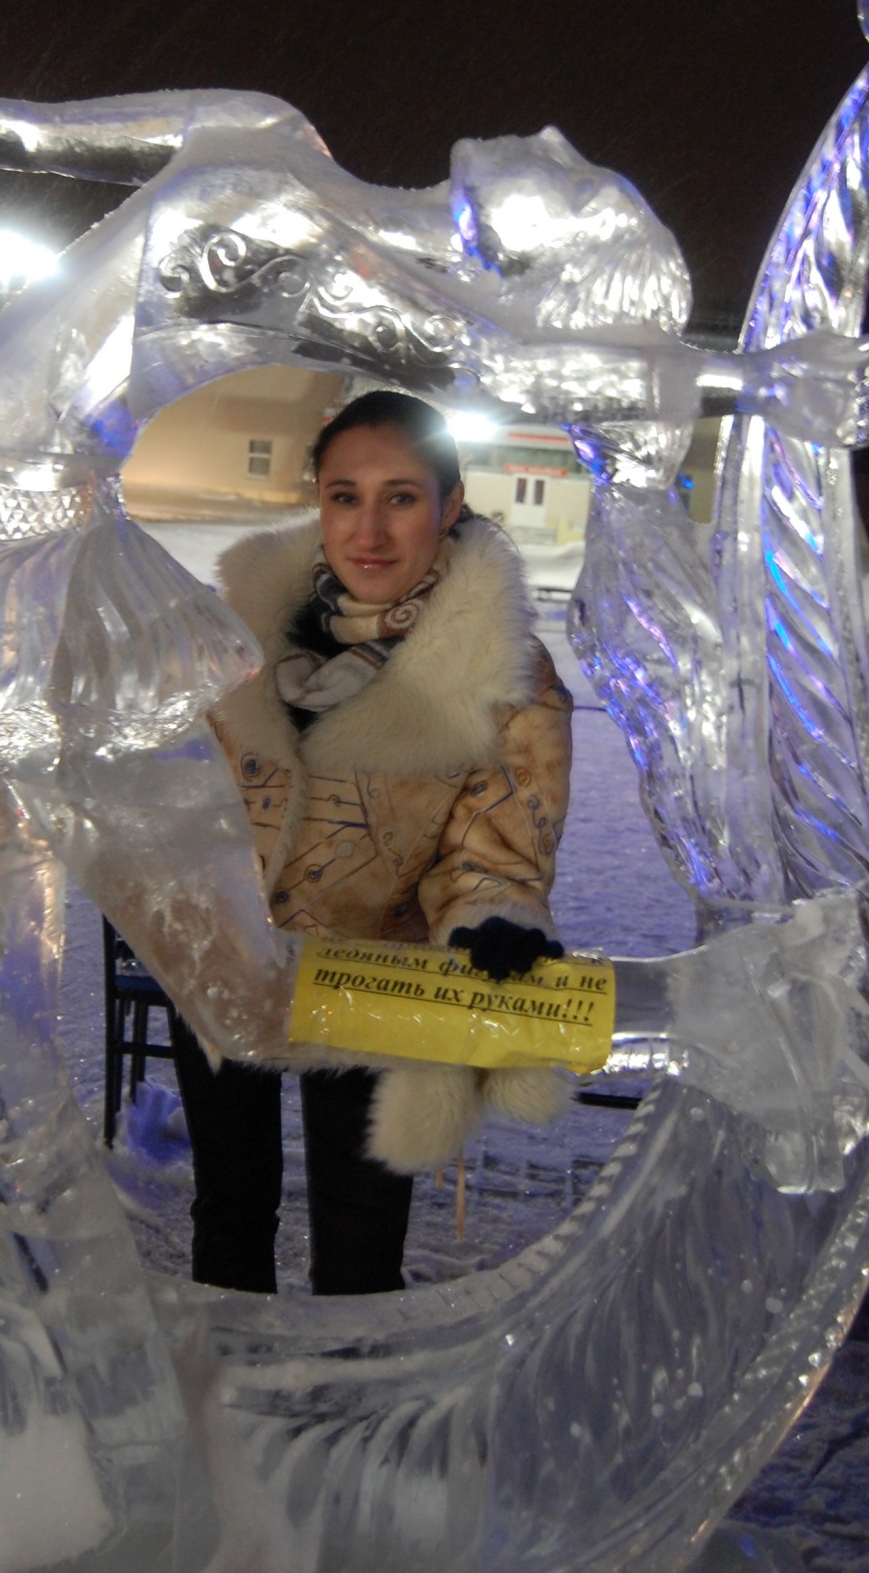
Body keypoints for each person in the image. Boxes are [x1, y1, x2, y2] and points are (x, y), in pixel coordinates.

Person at [169, 389, 573, 1295]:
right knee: (228, 1216)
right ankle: (232, 1381)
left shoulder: (503, 674)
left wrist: (494, 921)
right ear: (318, 502)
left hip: (376, 979)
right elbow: (184, 789)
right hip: (227, 959)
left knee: (358, 1252)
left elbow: (494, 854)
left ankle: (347, 1386)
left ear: (450, 504)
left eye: (401, 497)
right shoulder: (237, 634)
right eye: (345, 496)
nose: (370, 530)